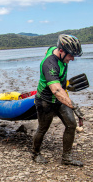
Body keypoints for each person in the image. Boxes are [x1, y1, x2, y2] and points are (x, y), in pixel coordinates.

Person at [32, 34, 85, 166]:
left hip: (59, 99)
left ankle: (66, 158)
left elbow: (47, 50)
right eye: (70, 55)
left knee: (71, 125)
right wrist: (74, 106)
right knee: (42, 129)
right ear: (61, 50)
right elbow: (56, 90)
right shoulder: (50, 64)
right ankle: (35, 154)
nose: (72, 58)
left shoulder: (54, 49)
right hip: (45, 101)